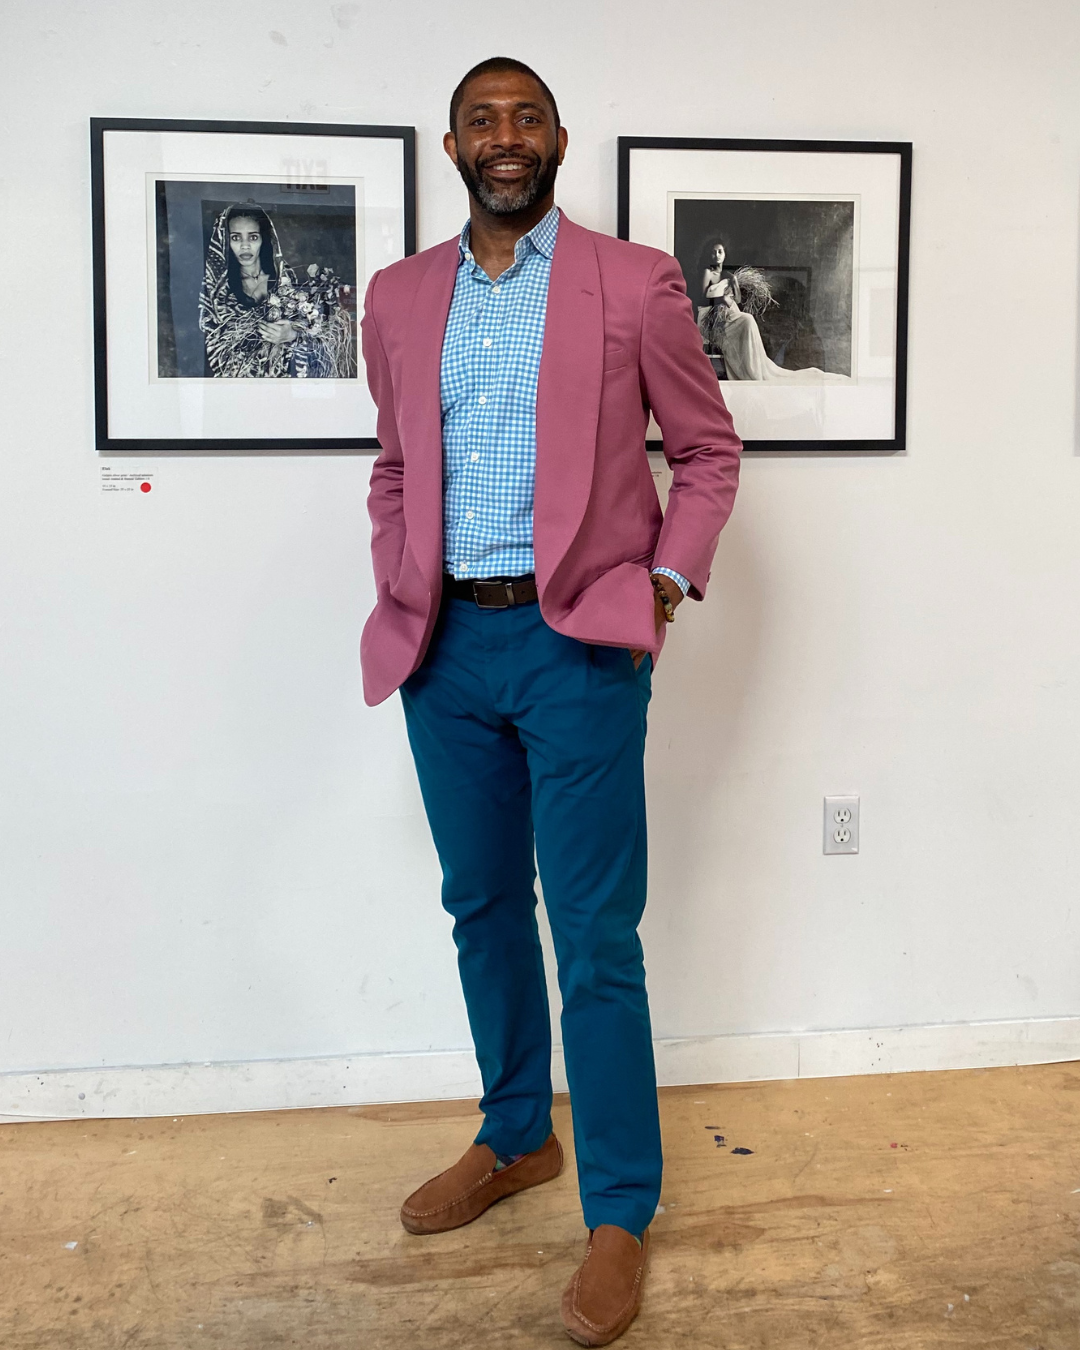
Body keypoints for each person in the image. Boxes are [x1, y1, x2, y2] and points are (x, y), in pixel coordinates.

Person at [359, 56, 741, 1346]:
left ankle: (620, 1209)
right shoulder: (402, 297)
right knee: (480, 907)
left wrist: (667, 589)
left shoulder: (632, 283)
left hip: (580, 645)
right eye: (484, 120)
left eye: (527, 118)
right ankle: (516, 1136)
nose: (506, 139)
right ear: (453, 144)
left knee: (595, 935)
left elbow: (705, 452)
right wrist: (400, 577)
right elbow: (396, 469)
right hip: (446, 651)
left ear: (560, 139)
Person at [198, 203, 353, 379]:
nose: (245, 246)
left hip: (286, 388)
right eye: (236, 238)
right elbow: (212, 345)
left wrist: (293, 335)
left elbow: (321, 335)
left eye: (253, 237)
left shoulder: (288, 282)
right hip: (238, 390)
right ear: (225, 241)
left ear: (263, 239)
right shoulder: (217, 293)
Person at [699, 264, 845, 384]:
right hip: (724, 314)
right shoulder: (713, 283)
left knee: (796, 375)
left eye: (779, 314)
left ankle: (756, 370)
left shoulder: (806, 343)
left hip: (728, 313)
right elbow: (712, 295)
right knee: (746, 320)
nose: (774, 320)